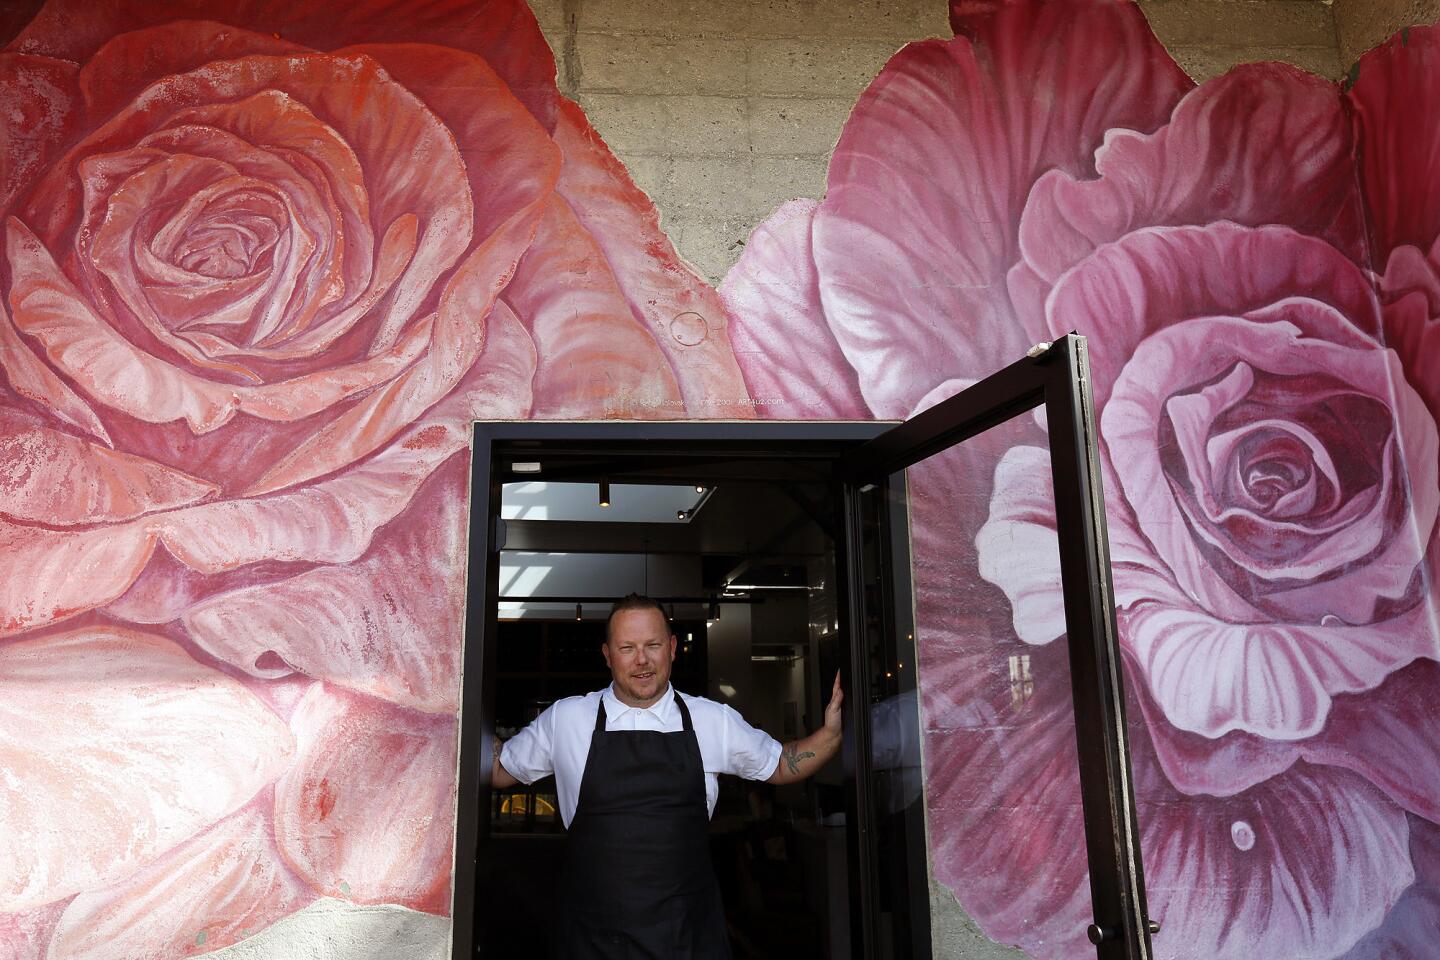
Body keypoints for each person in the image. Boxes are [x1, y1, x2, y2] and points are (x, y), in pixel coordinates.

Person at [491, 593, 844, 959]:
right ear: (608, 655)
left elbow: (782, 765)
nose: (641, 660)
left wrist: (831, 735)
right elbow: (501, 771)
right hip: (591, 939)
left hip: (686, 938)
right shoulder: (566, 719)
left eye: (653, 645)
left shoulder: (712, 720)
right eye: (627, 648)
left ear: (673, 648)